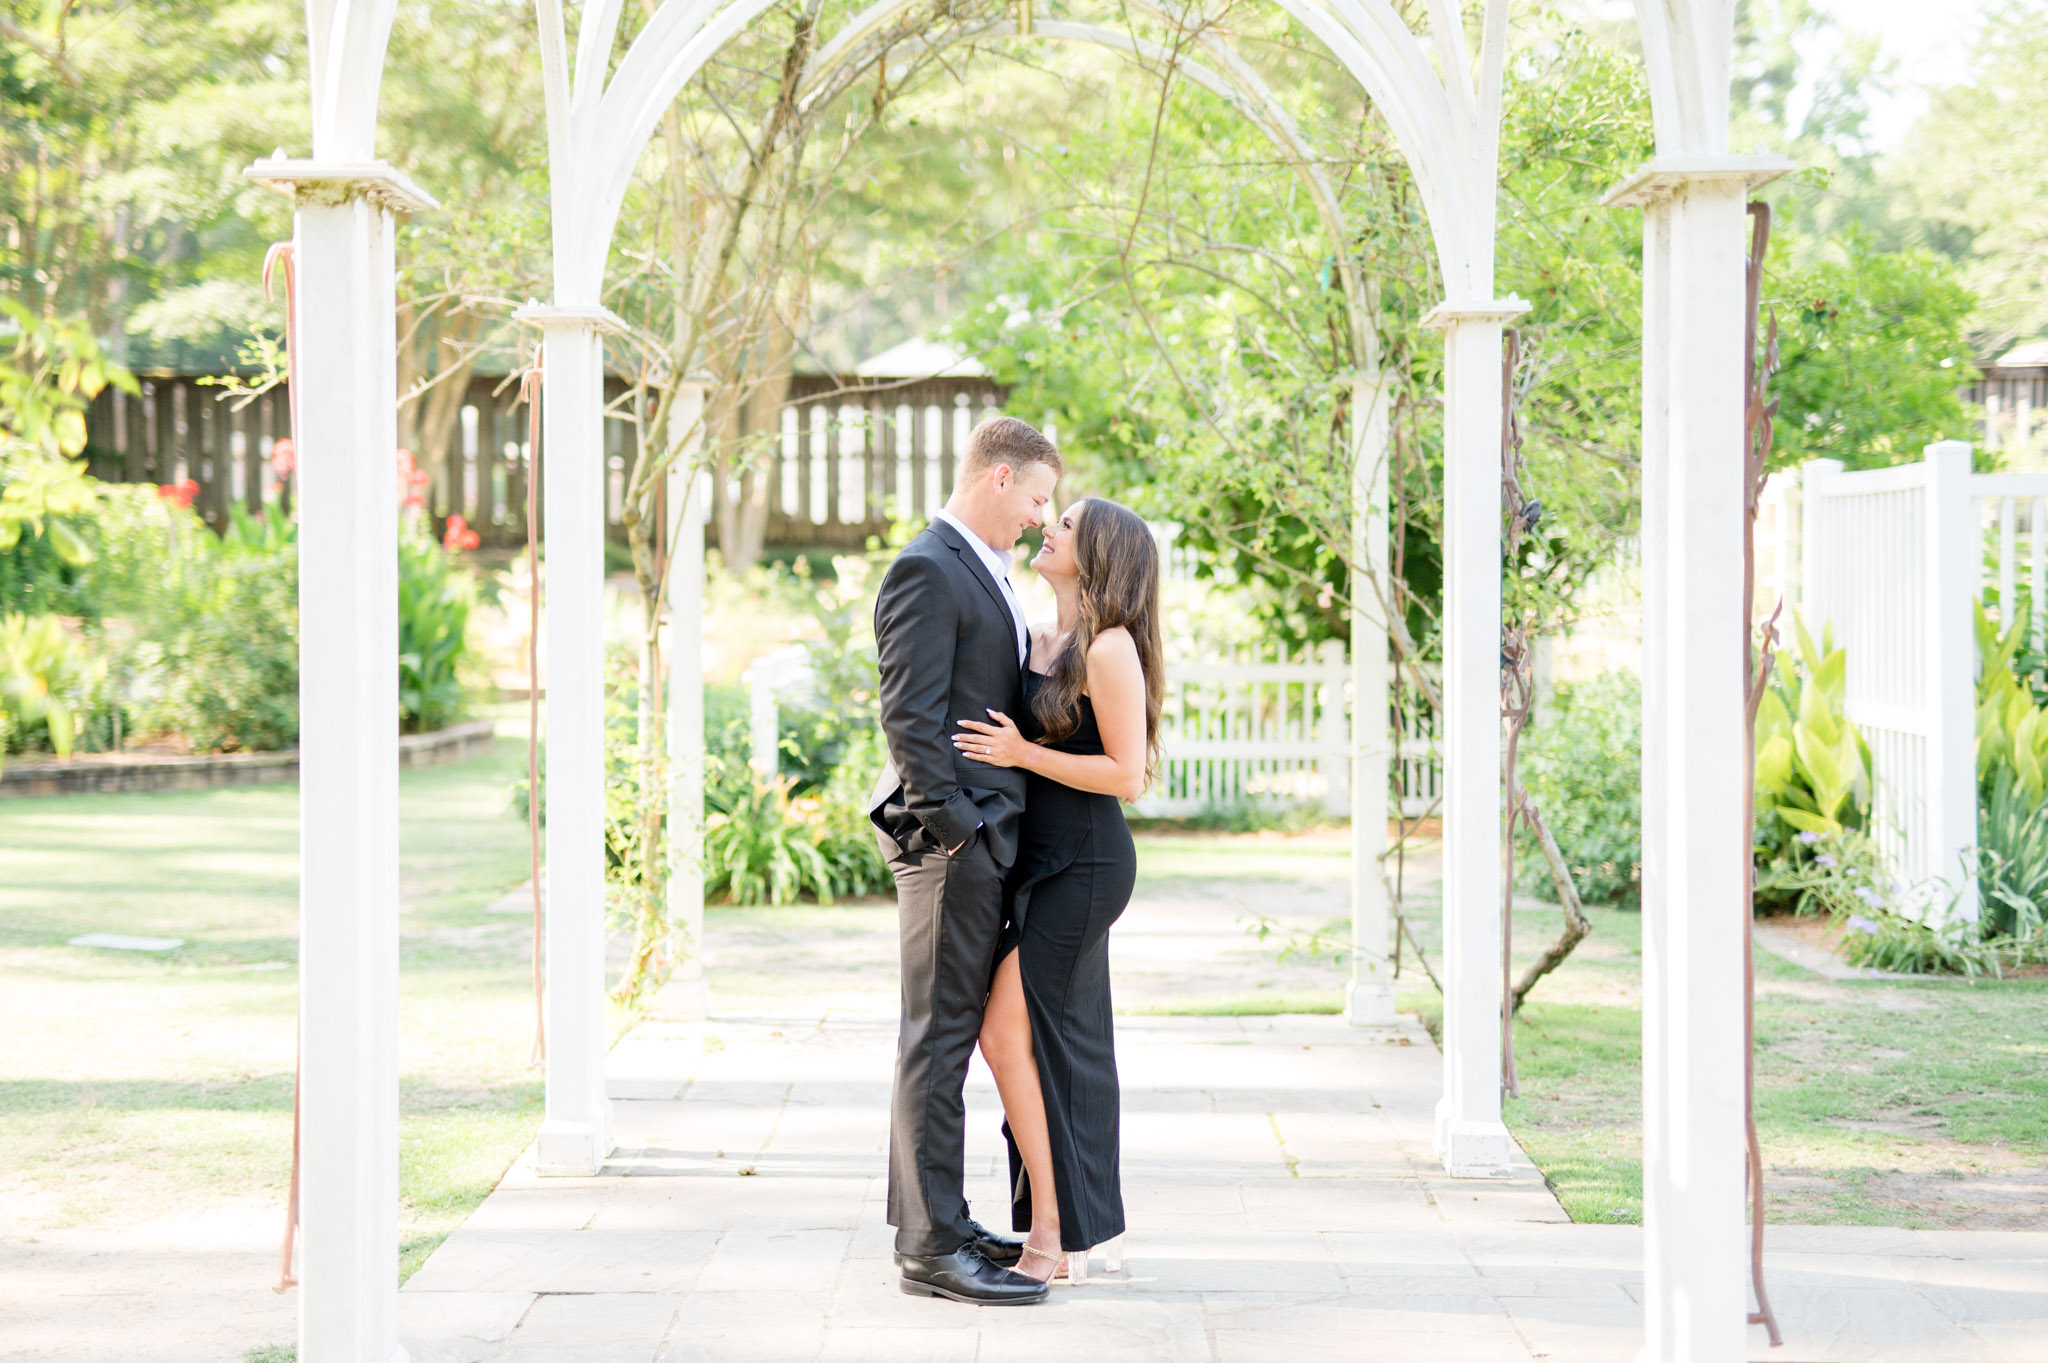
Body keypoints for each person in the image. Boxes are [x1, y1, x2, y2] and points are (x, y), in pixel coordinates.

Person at [868, 415, 1063, 1306]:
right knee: (938, 1041)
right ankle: (930, 1248)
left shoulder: (984, 567)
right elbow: (910, 717)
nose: (1038, 515)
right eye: (1036, 497)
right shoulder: (925, 567)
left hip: (984, 840)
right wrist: (957, 829)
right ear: (998, 477)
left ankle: (940, 1216)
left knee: (948, 1040)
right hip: (952, 848)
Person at [952, 496, 1162, 1284]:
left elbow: (1127, 775)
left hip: (1086, 863)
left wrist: (1019, 754)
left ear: (1099, 554)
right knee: (1043, 1045)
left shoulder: (1109, 648)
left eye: (1066, 523)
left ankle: (1048, 1233)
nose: (1049, 526)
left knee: (1006, 1035)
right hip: (1041, 862)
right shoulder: (1046, 636)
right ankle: (1057, 1230)